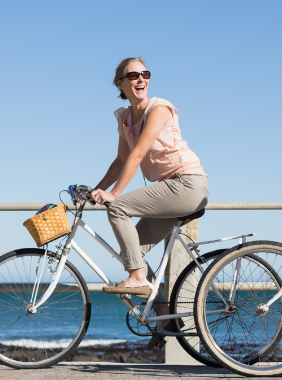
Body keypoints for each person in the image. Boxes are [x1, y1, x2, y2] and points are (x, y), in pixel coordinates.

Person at [89, 57, 209, 345]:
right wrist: (96, 190)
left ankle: (138, 279)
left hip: (188, 184)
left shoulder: (159, 108)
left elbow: (138, 154)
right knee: (132, 252)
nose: (140, 79)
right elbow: (120, 160)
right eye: (133, 76)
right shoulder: (124, 118)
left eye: (145, 74)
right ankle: (165, 318)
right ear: (120, 83)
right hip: (169, 189)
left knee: (118, 210)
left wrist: (113, 195)